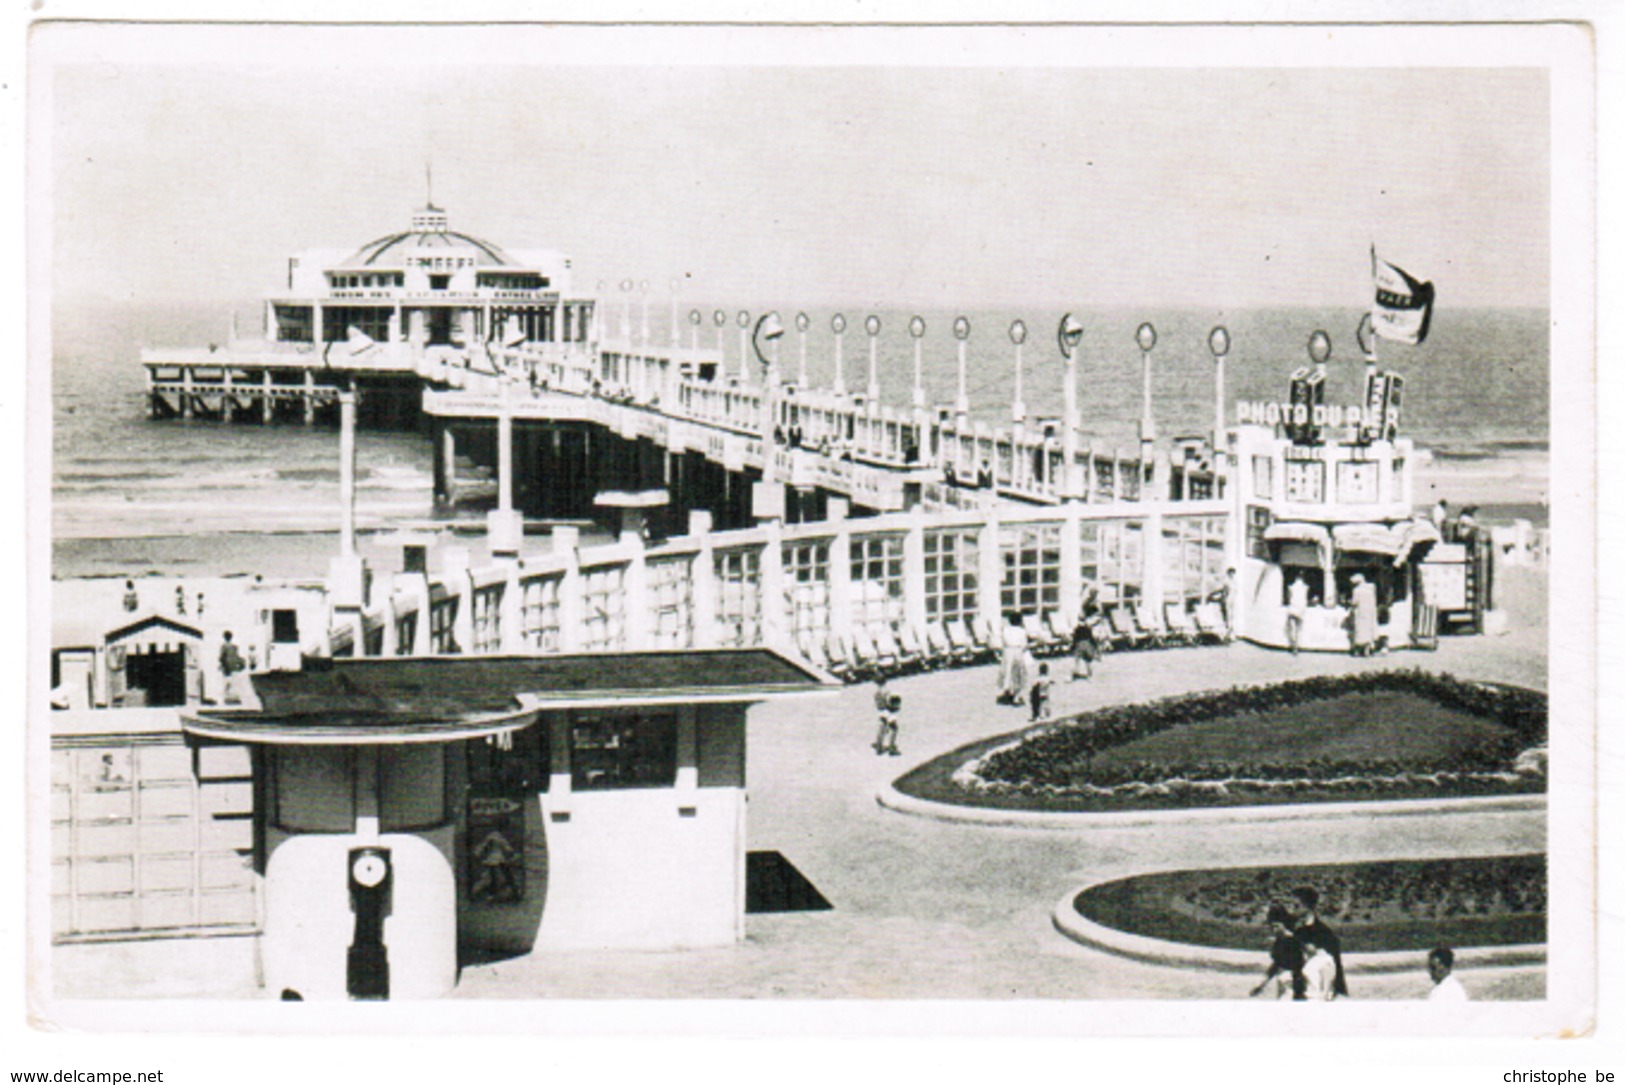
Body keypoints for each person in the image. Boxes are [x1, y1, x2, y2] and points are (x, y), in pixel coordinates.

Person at [1292, 886, 1348, 997]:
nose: (1292, 910)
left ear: (1307, 906)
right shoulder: (1297, 932)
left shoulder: (1325, 934)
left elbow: (1336, 968)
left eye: (1296, 906)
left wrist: (1339, 992)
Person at [1250, 904, 1306, 1000]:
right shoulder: (1279, 942)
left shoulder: (1295, 942)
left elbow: (1302, 966)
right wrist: (1261, 984)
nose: (1274, 930)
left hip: (1295, 985)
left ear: (1284, 925)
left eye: (1276, 926)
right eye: (1272, 927)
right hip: (1283, 983)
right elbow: (1276, 965)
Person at [997, 611, 1030, 706]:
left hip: (1008, 651)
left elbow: (1003, 642)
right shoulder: (1021, 631)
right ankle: (1016, 696)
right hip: (1017, 651)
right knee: (1018, 673)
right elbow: (1024, 644)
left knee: (1007, 672)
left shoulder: (1005, 630)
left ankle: (1007, 691)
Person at [1299, 932, 1340, 1001]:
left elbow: (1327, 980)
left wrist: (1325, 997)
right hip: (1311, 996)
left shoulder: (1324, 959)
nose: (1305, 946)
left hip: (1320, 998)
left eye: (1308, 943)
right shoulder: (1310, 959)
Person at [1349, 573, 1378, 657]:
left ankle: (1358, 650)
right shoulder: (1371, 589)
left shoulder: (1357, 591)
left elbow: (1354, 602)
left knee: (1361, 631)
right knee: (1369, 630)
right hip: (1371, 612)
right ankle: (1368, 649)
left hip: (1361, 612)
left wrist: (1350, 603)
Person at [872, 676, 901, 756]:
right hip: (888, 712)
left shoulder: (877, 693)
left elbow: (878, 704)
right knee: (894, 729)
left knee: (882, 728)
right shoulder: (886, 691)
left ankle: (879, 746)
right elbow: (889, 702)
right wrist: (895, 707)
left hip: (881, 711)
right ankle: (891, 748)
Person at [1070, 610, 1101, 681]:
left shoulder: (1077, 629)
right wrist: (1095, 646)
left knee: (1076, 660)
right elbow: (1091, 638)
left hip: (1079, 645)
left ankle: (1075, 673)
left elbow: (1075, 639)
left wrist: (1072, 647)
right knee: (1088, 660)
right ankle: (1089, 674)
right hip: (1087, 644)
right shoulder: (1088, 628)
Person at [218, 631, 247, 705]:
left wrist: (221, 665)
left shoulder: (224, 646)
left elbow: (221, 657)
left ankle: (228, 698)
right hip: (234, 666)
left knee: (227, 682)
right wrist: (241, 664)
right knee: (234, 682)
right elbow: (237, 656)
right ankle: (234, 697)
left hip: (227, 667)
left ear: (224, 637)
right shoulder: (235, 646)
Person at [1286, 573, 1310, 655]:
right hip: (1301, 609)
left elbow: (1288, 598)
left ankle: (1293, 646)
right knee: (1298, 630)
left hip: (1293, 608)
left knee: (1292, 629)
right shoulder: (1305, 587)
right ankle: (1296, 646)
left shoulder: (1291, 587)